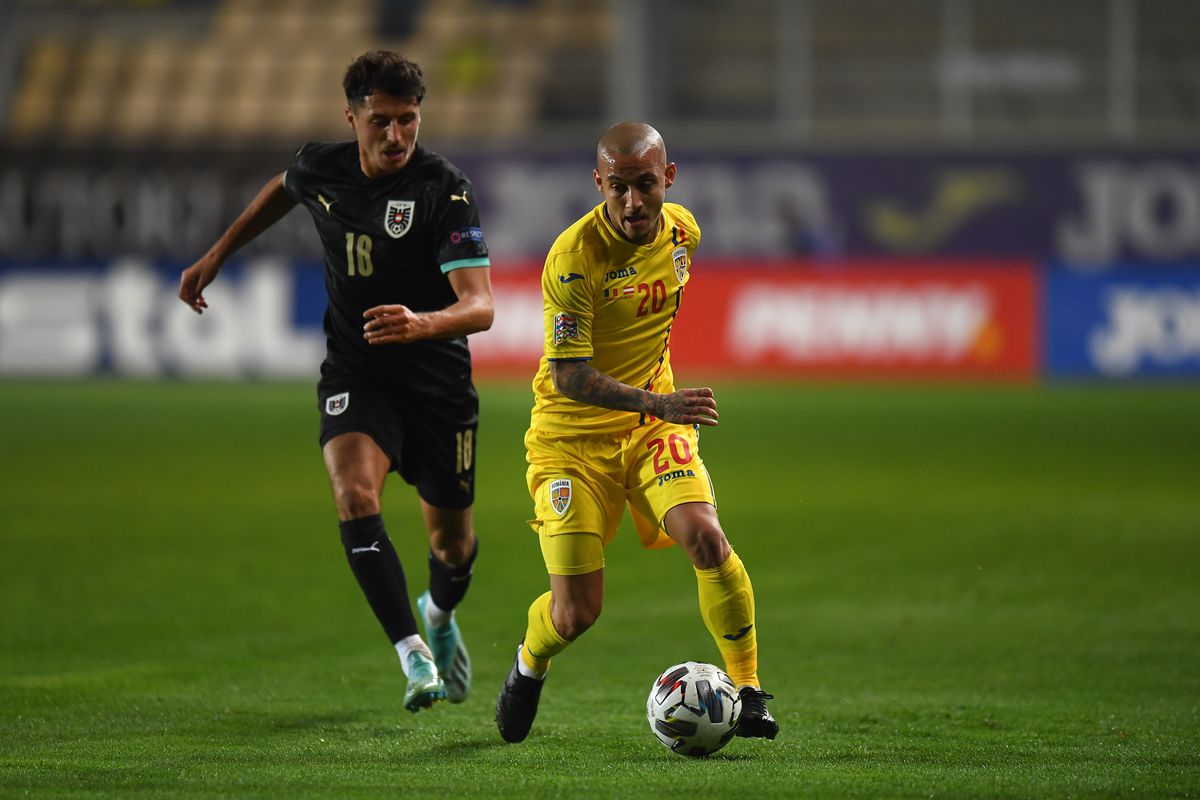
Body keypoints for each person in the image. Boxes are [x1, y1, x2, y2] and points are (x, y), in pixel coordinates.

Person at [178, 51, 493, 714]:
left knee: (453, 547)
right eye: (381, 121)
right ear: (351, 117)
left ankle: (436, 610)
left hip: (437, 382)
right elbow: (283, 189)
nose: (396, 135)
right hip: (358, 371)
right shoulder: (322, 165)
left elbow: (481, 306)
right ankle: (414, 657)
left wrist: (422, 322)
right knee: (353, 494)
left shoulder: (444, 189)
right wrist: (217, 253)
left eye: (408, 120)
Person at [494, 121, 778, 743]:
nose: (632, 202)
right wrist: (660, 401)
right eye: (617, 187)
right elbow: (569, 376)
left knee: (705, 537)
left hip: (651, 429)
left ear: (668, 179)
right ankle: (528, 664)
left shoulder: (684, 232)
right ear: (598, 183)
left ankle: (751, 690)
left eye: (645, 185)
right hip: (571, 443)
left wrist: (656, 408)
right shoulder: (572, 259)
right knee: (576, 613)